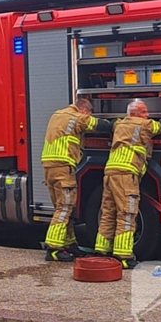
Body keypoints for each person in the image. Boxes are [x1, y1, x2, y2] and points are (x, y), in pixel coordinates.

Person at [94, 100, 161, 269]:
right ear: (133, 114)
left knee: (108, 212)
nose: (147, 115)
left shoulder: (120, 124)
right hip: (126, 173)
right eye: (143, 112)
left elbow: (111, 124)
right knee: (127, 213)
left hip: (110, 171)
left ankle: (101, 250)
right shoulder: (143, 125)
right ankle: (124, 255)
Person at [41, 98, 111, 262]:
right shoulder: (78, 117)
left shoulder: (57, 115)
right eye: (89, 114)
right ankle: (53, 248)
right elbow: (98, 125)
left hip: (49, 167)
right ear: (84, 111)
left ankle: (69, 243)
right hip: (63, 167)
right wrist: (118, 124)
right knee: (65, 207)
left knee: (63, 208)